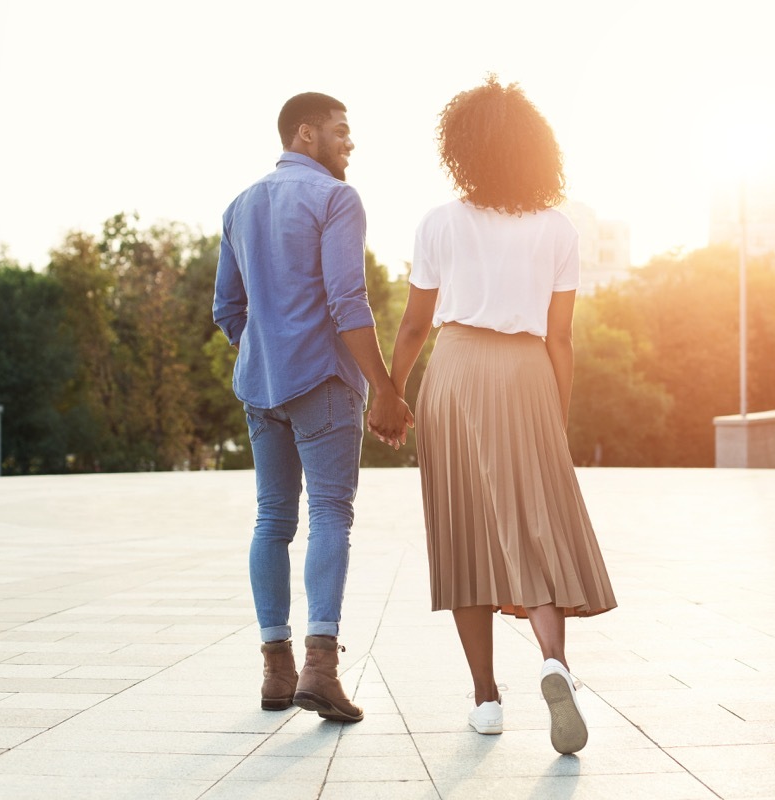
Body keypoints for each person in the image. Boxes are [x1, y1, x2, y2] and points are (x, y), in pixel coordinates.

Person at [389, 76, 617, 755]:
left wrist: (392, 393)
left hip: (455, 371)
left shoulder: (439, 222)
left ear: (460, 149)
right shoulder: (557, 229)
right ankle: (554, 662)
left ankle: (486, 698)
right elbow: (563, 338)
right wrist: (557, 410)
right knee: (537, 526)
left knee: (464, 532)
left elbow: (413, 325)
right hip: (527, 374)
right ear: (536, 150)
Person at [213, 91, 411, 722]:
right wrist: (385, 388)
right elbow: (348, 301)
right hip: (324, 381)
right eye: (340, 132)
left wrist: (266, 351)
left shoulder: (239, 205)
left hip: (259, 387)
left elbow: (226, 309)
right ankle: (321, 671)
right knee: (330, 514)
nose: (349, 143)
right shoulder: (335, 198)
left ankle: (277, 672)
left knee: (272, 520)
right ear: (305, 134)